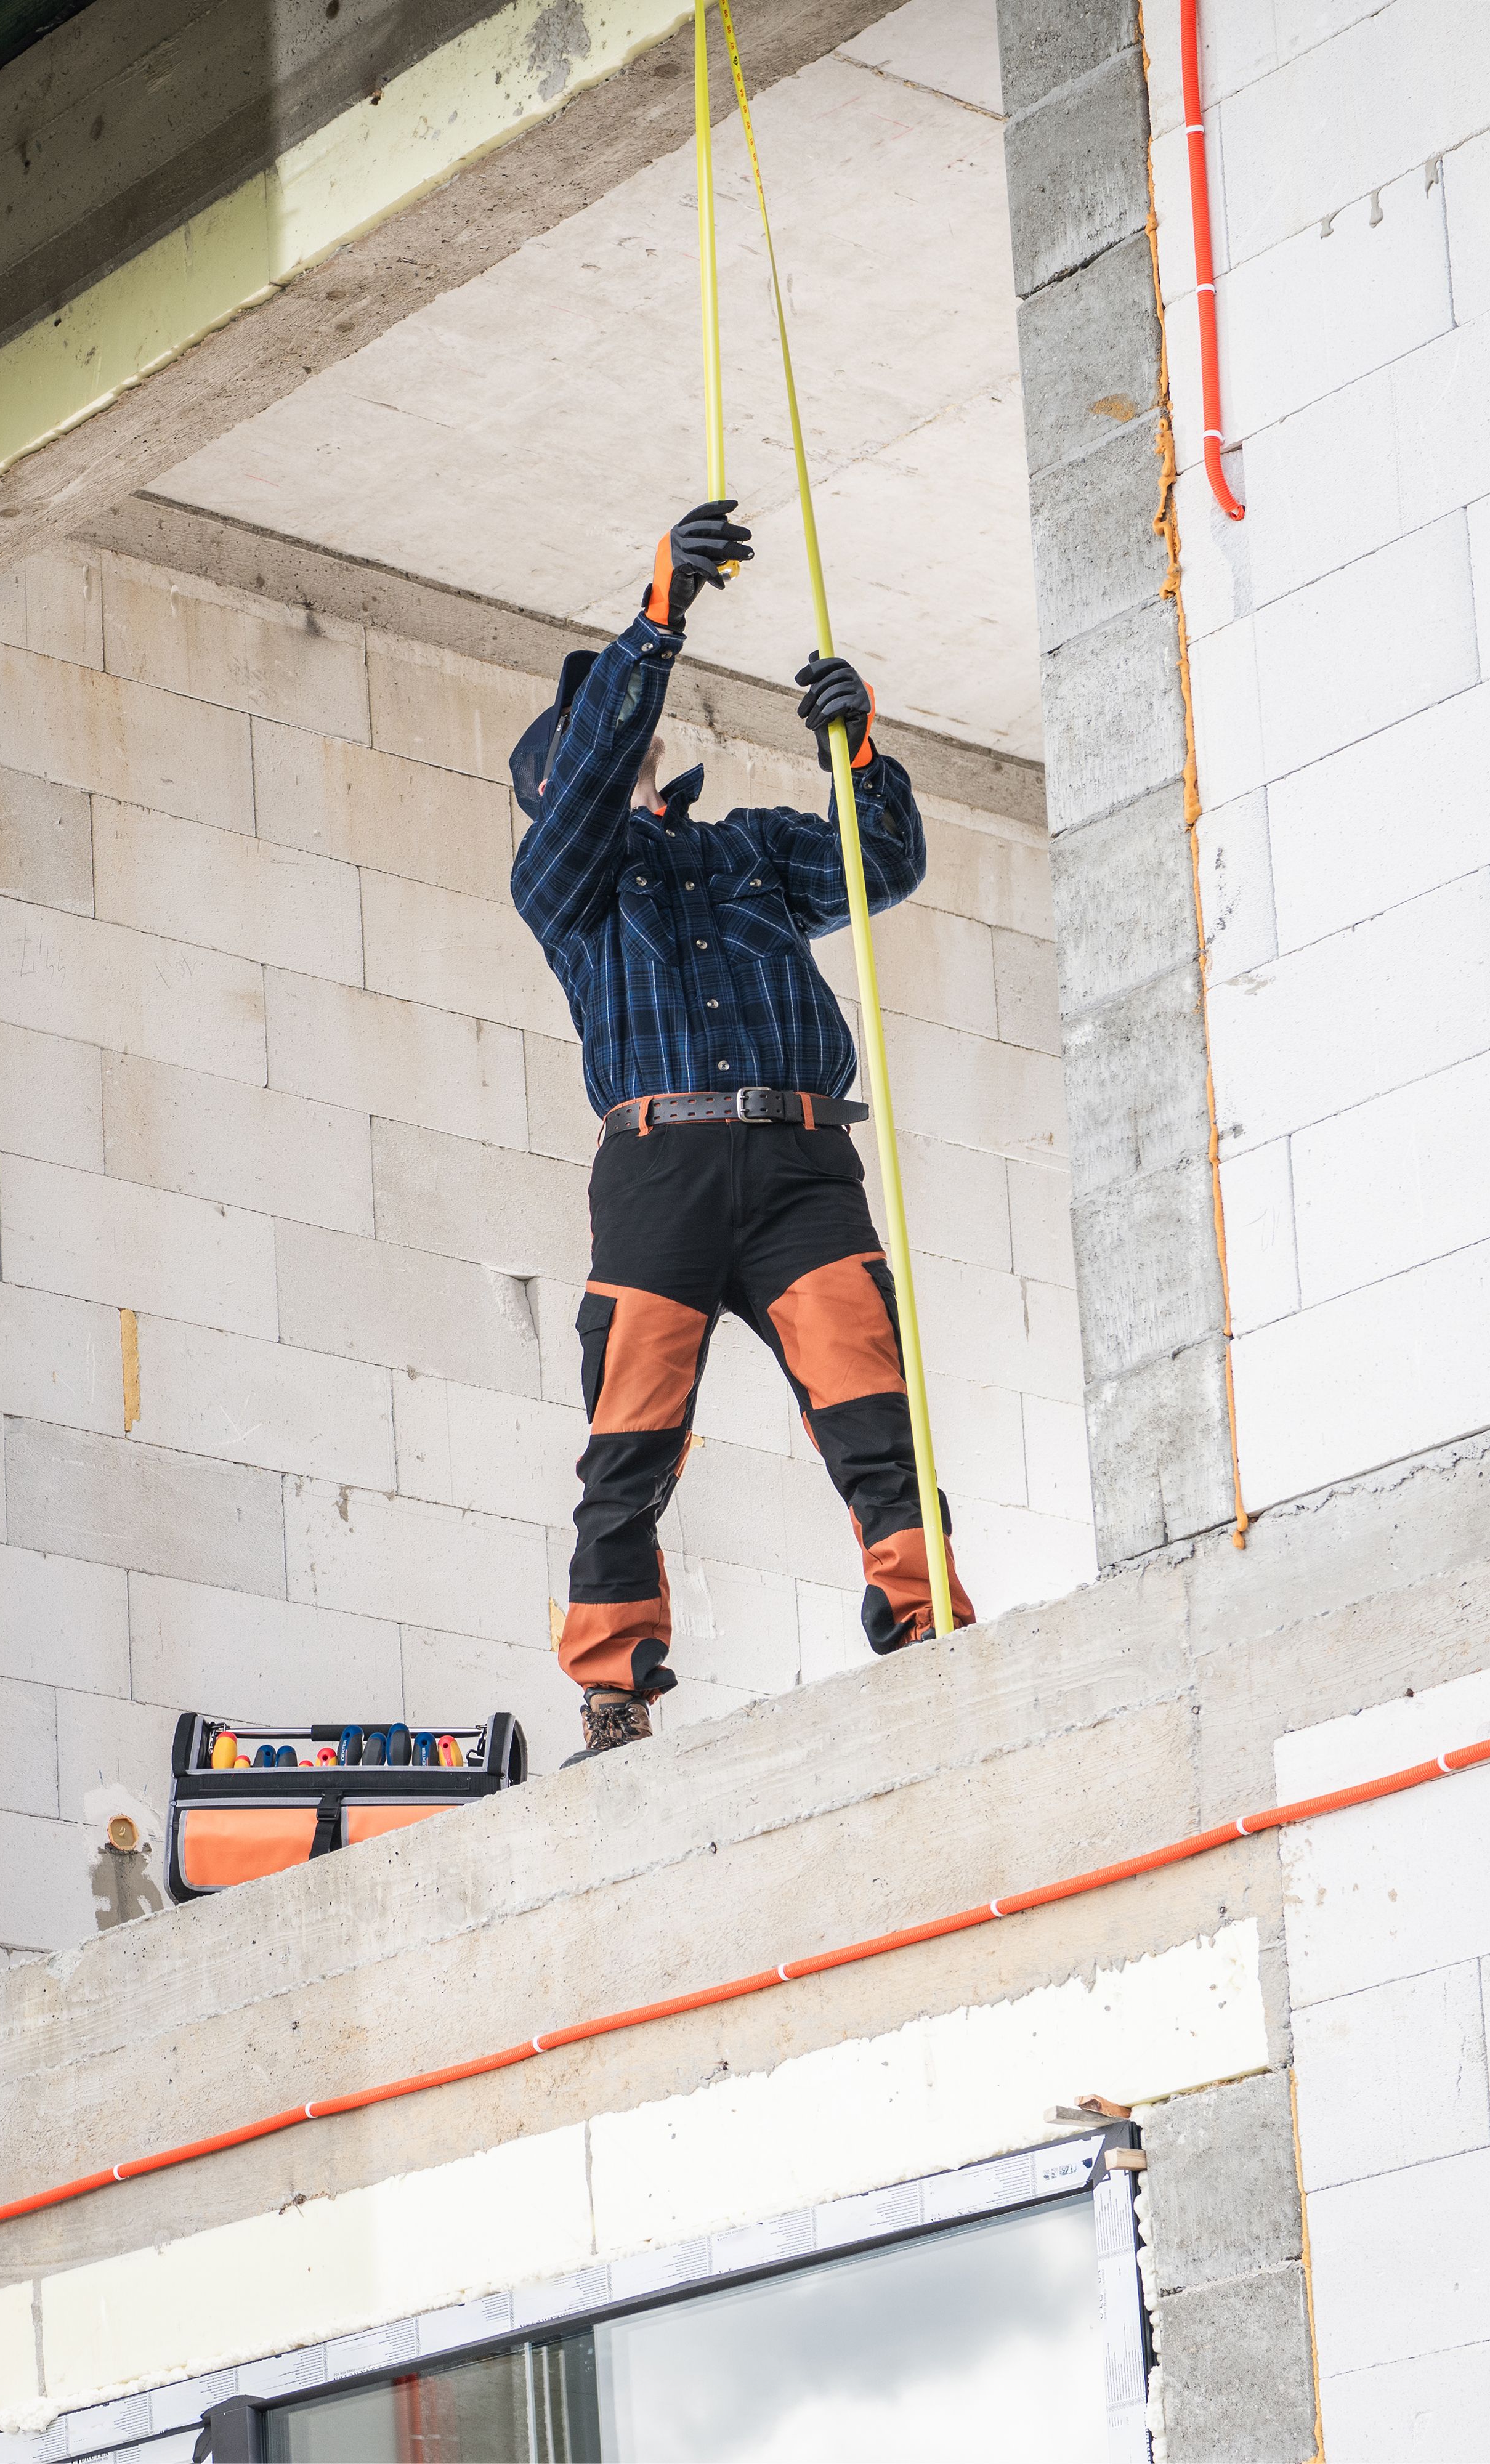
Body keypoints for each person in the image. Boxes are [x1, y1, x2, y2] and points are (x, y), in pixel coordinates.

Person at [509, 498, 972, 1763]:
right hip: (660, 1168)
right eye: (594, 745)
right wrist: (658, 618)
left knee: (872, 1404)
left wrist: (861, 754)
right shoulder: (562, 878)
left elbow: (883, 867)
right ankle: (615, 1688)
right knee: (630, 1443)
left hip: (800, 1164)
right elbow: (600, 759)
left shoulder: (752, 851)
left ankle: (928, 1620)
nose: (621, 747)